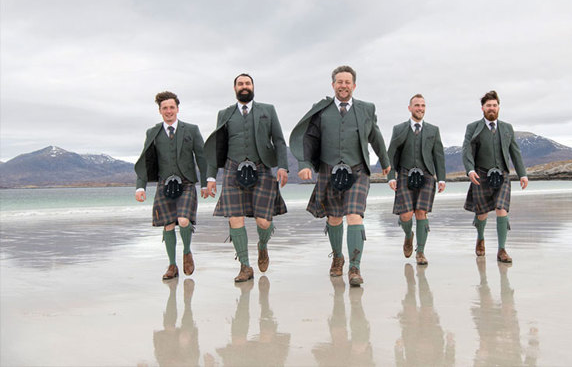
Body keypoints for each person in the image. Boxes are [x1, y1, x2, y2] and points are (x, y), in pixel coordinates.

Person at [290, 65, 390, 287]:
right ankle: (337, 257)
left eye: (347, 82)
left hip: (358, 170)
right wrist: (304, 163)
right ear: (333, 84)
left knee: (355, 215)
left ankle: (355, 267)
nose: (343, 85)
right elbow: (309, 138)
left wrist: (385, 161)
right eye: (339, 82)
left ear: (354, 85)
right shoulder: (321, 110)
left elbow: (375, 135)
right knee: (334, 218)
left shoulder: (366, 109)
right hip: (329, 169)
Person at [204, 74, 288, 283]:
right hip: (233, 169)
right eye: (240, 84)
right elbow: (217, 146)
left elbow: (278, 140)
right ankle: (244, 266)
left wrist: (283, 167)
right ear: (234, 88)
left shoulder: (267, 110)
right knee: (235, 218)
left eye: (247, 83)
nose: (244, 87)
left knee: (264, 221)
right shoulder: (224, 114)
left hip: (262, 168)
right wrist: (211, 176)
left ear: (252, 87)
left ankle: (262, 245)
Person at [135, 91, 209, 280]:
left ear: (177, 109)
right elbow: (145, 161)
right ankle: (172, 266)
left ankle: (186, 252)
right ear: (160, 111)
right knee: (168, 225)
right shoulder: (153, 132)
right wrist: (140, 186)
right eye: (165, 108)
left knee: (184, 220)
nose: (169, 111)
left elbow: (201, 157)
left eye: (172, 107)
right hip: (164, 184)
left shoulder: (191, 130)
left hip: (186, 183)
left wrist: (206, 182)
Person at [462, 90, 528, 263]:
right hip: (481, 174)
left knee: (501, 209)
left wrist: (523, 174)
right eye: (488, 105)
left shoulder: (507, 128)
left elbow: (515, 152)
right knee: (482, 213)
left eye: (494, 105)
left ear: (499, 107)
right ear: (482, 108)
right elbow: (466, 150)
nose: (492, 108)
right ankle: (481, 238)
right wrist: (470, 170)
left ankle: (502, 250)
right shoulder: (473, 127)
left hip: (503, 174)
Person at [387, 94, 446, 265]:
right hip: (405, 174)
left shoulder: (433, 130)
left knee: (421, 212)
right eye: (417, 105)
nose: (420, 108)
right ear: (410, 108)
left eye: (423, 105)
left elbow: (438, 155)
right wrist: (391, 176)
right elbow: (391, 154)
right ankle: (408, 235)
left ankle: (420, 252)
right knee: (405, 215)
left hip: (427, 175)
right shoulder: (399, 129)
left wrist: (441, 178)